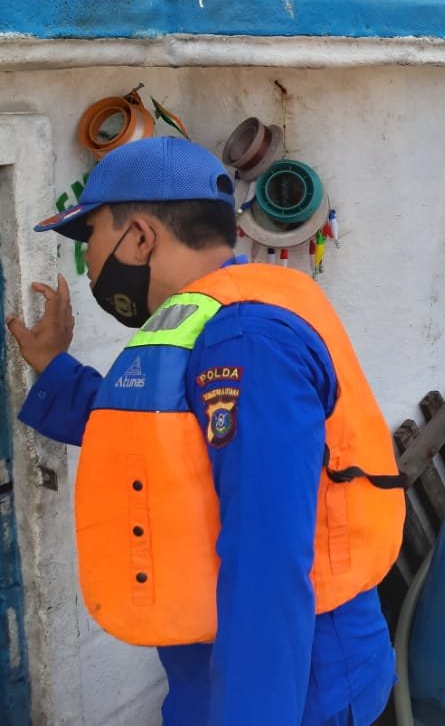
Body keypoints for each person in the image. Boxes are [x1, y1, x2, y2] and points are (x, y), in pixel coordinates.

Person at [5, 137, 406, 724]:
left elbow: (267, 565)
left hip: (298, 686)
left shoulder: (243, 340)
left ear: (141, 237)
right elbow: (158, 436)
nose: (87, 262)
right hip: (232, 671)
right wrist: (55, 369)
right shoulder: (210, 322)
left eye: (89, 238)